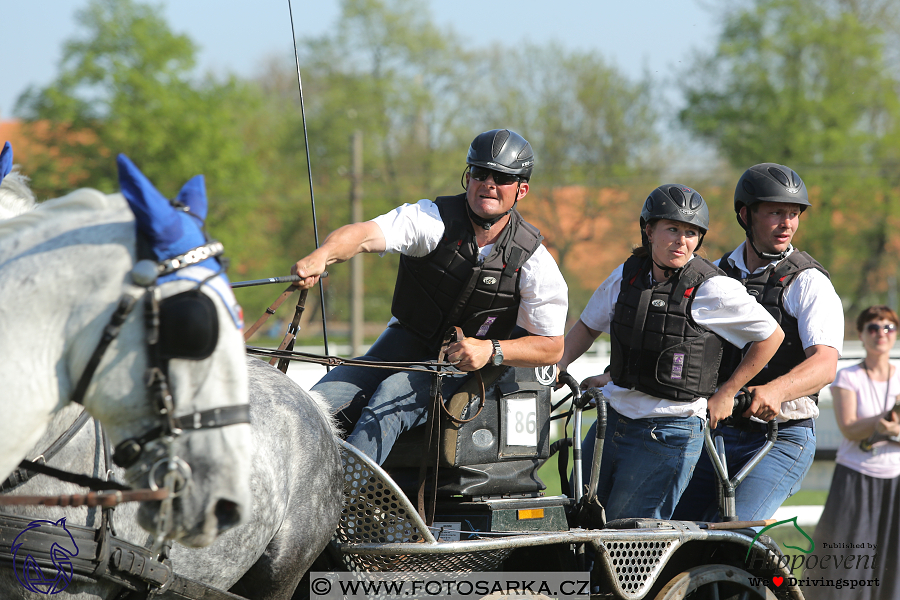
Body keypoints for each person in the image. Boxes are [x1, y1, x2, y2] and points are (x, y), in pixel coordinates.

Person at [291, 129, 567, 464]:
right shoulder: (430, 220)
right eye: (480, 173)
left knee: (389, 400)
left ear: (521, 189)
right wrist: (324, 255)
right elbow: (364, 235)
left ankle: (350, 502)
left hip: (461, 366)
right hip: (401, 342)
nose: (489, 183)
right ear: (468, 177)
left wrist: (491, 350)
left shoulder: (534, 261)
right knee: (312, 407)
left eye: (503, 177)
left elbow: (551, 345)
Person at [558, 183, 783, 521]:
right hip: (612, 420)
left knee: (627, 541)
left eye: (691, 233)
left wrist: (728, 391)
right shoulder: (626, 275)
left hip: (669, 432)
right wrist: (555, 368)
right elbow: (587, 327)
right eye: (673, 229)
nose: (682, 240)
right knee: (574, 523)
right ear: (649, 230)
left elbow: (770, 336)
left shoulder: (713, 288)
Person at [673, 163, 844, 523]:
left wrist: (777, 390)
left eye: (794, 213)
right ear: (745, 214)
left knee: (735, 534)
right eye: (776, 212)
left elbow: (825, 364)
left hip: (782, 436)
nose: (787, 223)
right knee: (673, 530)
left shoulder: (809, 282)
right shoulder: (716, 274)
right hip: (717, 433)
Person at [803, 306, 900, 600]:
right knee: (846, 559)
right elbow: (849, 428)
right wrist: (883, 420)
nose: (881, 334)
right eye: (873, 328)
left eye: (888, 328)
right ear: (860, 334)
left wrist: (892, 431)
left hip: (895, 478)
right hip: (856, 477)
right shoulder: (848, 376)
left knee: (892, 560)